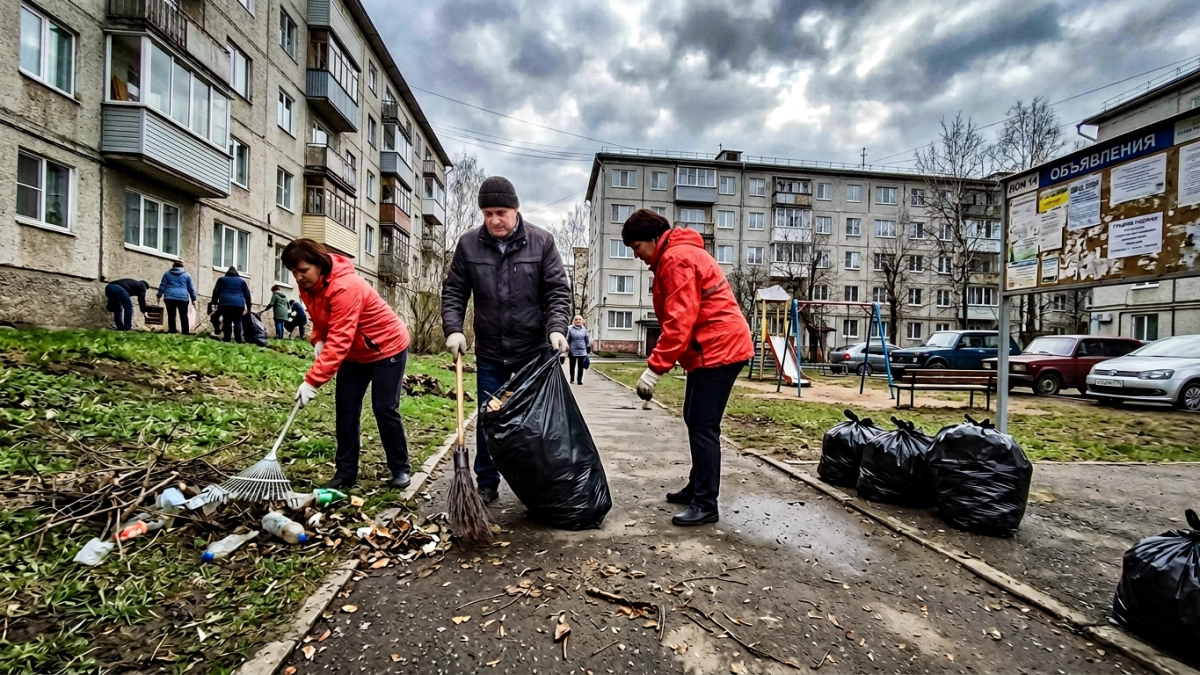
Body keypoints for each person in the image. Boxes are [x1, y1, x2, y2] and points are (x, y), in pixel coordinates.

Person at [441, 176, 572, 503]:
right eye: (488, 214)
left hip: (532, 353)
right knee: (489, 418)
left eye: (501, 212)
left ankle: (541, 483)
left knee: (537, 421)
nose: (494, 220)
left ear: (516, 209)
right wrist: (453, 329)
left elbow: (557, 291)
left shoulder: (542, 242)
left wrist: (557, 328)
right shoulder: (469, 245)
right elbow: (454, 291)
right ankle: (486, 483)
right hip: (491, 352)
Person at [622, 209, 755, 527]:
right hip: (711, 349)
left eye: (636, 246)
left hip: (719, 349)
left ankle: (706, 503)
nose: (636, 255)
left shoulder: (676, 259)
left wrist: (654, 370)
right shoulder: (678, 254)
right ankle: (698, 487)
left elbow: (679, 321)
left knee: (703, 426)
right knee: (695, 419)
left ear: (654, 238)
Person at [285, 238, 413, 490]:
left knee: (384, 408)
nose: (298, 277)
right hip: (355, 354)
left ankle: (400, 468)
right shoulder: (309, 286)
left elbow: (340, 339)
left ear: (319, 264)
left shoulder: (346, 286)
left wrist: (312, 381)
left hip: (387, 347)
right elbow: (320, 318)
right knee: (346, 409)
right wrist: (318, 338)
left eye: (303, 270)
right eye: (293, 272)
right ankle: (345, 473)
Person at [210, 267, 251, 343]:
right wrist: (249, 308)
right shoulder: (242, 281)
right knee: (238, 321)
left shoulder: (222, 280)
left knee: (227, 320)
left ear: (227, 273)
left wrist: (214, 302)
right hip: (239, 304)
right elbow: (247, 295)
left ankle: (227, 338)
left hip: (225, 303)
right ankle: (238, 340)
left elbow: (216, 292)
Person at [157, 261, 197, 335]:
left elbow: (162, 285)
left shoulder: (167, 274)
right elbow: (191, 288)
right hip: (183, 298)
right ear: (182, 267)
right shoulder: (187, 275)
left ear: (173, 266)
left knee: (171, 315)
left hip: (169, 297)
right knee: (184, 315)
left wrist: (159, 295)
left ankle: (172, 331)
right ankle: (185, 332)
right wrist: (193, 299)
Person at [567, 315, 591, 384]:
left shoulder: (584, 329)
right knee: (572, 366)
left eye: (579, 319)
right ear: (574, 321)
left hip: (582, 350)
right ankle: (572, 379)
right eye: (576, 319)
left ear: (582, 321)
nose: (578, 321)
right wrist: (567, 347)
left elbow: (586, 339)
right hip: (572, 350)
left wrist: (588, 347)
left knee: (580, 366)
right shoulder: (570, 328)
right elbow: (567, 338)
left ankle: (579, 380)